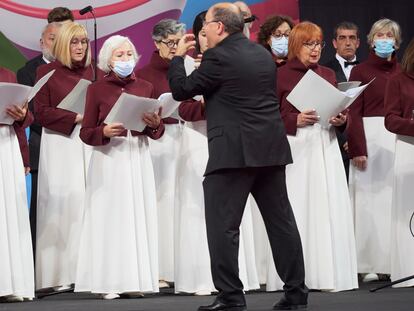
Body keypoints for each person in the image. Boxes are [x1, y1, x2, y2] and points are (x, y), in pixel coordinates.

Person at [168, 3, 308, 310]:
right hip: (270, 148)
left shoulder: (218, 56)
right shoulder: (262, 53)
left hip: (233, 152)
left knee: (223, 226)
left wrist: (178, 58)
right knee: (281, 222)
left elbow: (182, 90)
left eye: (205, 24)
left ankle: (231, 297)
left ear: (219, 27)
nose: (202, 30)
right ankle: (296, 293)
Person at [266, 21, 358, 293]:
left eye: (318, 43)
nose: (315, 49)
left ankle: (329, 274)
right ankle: (296, 276)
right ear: (296, 45)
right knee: (299, 206)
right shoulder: (279, 75)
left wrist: (341, 119)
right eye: (309, 43)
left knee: (327, 205)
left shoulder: (328, 73)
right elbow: (267, 115)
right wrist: (295, 119)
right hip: (297, 145)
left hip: (325, 143)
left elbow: (341, 111)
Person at [173, 10, 259, 296]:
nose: (205, 36)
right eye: (200, 32)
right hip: (197, 140)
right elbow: (182, 106)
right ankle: (199, 278)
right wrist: (207, 106)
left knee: (229, 215)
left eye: (208, 29)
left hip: (228, 141)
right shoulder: (187, 64)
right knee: (199, 210)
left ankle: (237, 279)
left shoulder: (232, 58)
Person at [75, 35, 163, 299]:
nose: (125, 60)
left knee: (136, 215)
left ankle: (135, 280)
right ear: (108, 61)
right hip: (109, 158)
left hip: (136, 156)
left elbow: (155, 131)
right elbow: (86, 132)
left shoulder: (145, 86)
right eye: (119, 55)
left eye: (128, 54)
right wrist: (104, 130)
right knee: (111, 217)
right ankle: (109, 282)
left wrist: (154, 123)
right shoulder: (96, 89)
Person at [136, 19, 201, 287]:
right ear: (157, 43)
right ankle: (162, 268)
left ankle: (186, 266)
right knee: (162, 201)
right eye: (171, 43)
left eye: (180, 42)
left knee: (186, 201)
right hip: (159, 141)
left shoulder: (193, 67)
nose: (176, 48)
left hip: (189, 136)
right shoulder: (143, 73)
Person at [34, 22, 95, 291]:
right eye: (74, 42)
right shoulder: (45, 72)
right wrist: (77, 117)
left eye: (83, 41)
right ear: (62, 44)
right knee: (62, 207)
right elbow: (42, 113)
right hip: (60, 144)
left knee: (89, 205)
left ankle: (90, 271)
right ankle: (58, 276)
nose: (80, 47)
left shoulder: (97, 73)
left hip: (90, 144)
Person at [347, 18, 402, 283]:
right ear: (370, 40)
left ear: (397, 41)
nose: (384, 39)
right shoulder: (359, 71)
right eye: (379, 35)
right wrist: (358, 146)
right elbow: (353, 112)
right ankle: (368, 262)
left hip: (399, 140)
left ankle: (396, 261)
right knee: (369, 201)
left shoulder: (403, 71)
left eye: (389, 35)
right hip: (370, 141)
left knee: (396, 202)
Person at [17, 21, 62, 258]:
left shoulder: (74, 69)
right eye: (52, 38)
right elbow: (30, 111)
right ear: (42, 42)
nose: (56, 44)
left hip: (70, 144)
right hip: (39, 142)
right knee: (39, 208)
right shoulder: (27, 71)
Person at [0, 67, 34, 302]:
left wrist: (22, 115)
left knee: (10, 214)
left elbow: (25, 120)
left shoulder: (7, 75)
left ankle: (11, 283)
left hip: (7, 145)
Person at [384, 37, 414, 287]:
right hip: (409, 151)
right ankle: (408, 270)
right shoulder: (398, 80)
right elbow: (391, 120)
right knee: (408, 215)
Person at [324, 21, 361, 181]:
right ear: (334, 42)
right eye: (342, 38)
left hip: (363, 146)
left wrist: (357, 141)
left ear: (358, 43)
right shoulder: (324, 71)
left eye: (352, 38)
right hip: (336, 145)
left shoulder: (366, 70)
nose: (347, 42)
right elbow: (324, 110)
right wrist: (346, 140)